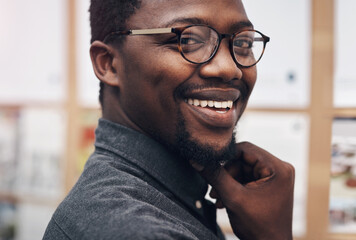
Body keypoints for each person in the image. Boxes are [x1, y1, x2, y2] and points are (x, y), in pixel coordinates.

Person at [44, 0, 295, 239]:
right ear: (109, 64)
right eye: (188, 39)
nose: (230, 68)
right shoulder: (137, 231)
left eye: (243, 43)